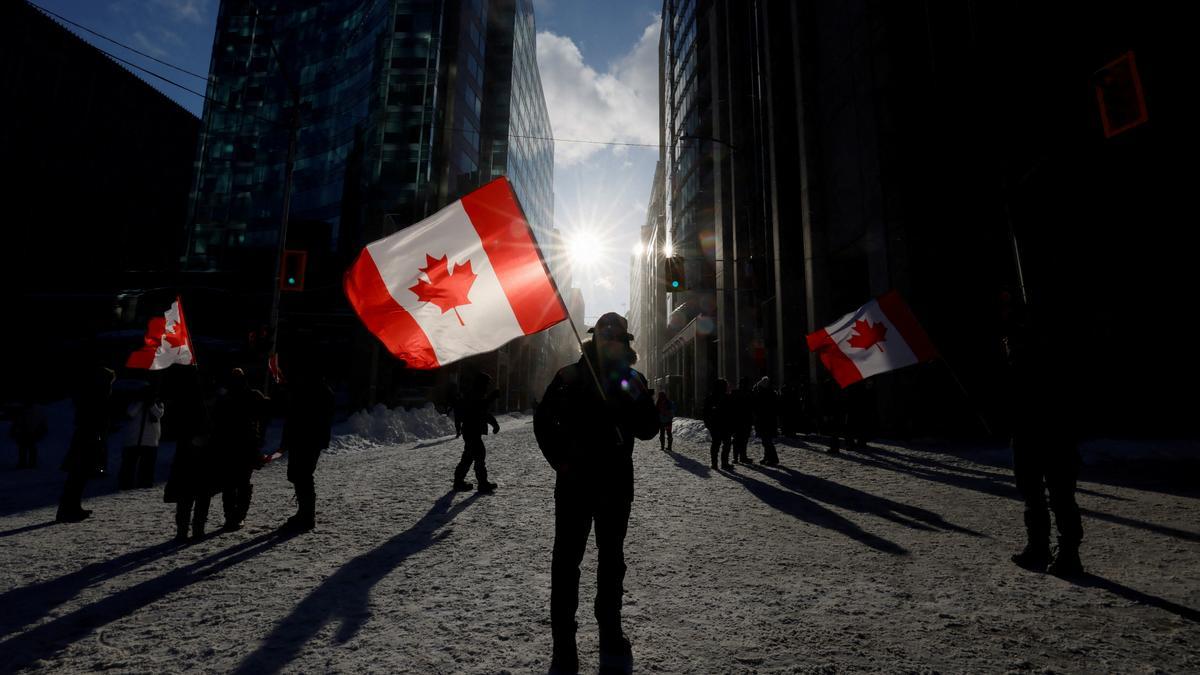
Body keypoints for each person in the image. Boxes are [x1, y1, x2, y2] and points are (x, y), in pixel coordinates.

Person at [534, 312, 659, 672]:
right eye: (604, 336)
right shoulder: (570, 376)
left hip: (616, 485)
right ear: (593, 339)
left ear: (625, 342)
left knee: (611, 561)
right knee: (566, 562)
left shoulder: (632, 380)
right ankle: (564, 645)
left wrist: (637, 397)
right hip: (574, 484)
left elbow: (649, 429)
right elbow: (543, 421)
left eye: (616, 337)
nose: (610, 342)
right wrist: (559, 460)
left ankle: (610, 633)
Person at [1002, 292, 1083, 576]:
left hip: (1055, 431)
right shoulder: (1018, 358)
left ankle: (1069, 552)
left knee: (1060, 496)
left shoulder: (1050, 353)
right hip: (1026, 433)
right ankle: (1038, 546)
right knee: (1032, 494)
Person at [279, 361, 335, 531]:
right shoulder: (315, 389)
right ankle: (304, 513)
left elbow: (299, 415)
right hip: (305, 438)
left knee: (302, 475)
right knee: (299, 475)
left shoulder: (315, 391)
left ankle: (307, 516)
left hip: (306, 438)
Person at [212, 368, 269, 531]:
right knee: (235, 483)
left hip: (243, 445)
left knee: (236, 483)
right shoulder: (229, 398)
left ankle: (236, 515)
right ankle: (234, 515)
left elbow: (264, 414)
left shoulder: (241, 397)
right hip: (235, 445)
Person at [164, 368, 217, 541]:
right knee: (195, 495)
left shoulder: (195, 402)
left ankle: (188, 530)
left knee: (190, 496)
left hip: (193, 456)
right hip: (195, 456)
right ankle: (192, 529)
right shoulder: (199, 404)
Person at [57, 366, 114, 523]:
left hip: (88, 437)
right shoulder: (95, 397)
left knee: (79, 476)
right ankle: (67, 509)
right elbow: (93, 419)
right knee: (78, 476)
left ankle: (72, 507)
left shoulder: (93, 396)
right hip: (88, 438)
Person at [452, 372, 500, 492]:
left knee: (468, 457)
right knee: (479, 455)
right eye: (486, 384)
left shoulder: (477, 394)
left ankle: (459, 482)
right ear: (481, 383)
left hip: (472, 431)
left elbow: (484, 413)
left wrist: (494, 423)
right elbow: (479, 409)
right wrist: (491, 398)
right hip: (471, 431)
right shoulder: (473, 394)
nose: (487, 386)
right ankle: (482, 484)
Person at [118, 385, 164, 489]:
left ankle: (145, 484)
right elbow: (130, 413)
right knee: (129, 465)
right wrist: (141, 402)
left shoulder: (157, 403)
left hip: (150, 440)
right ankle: (126, 484)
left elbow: (158, 414)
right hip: (133, 439)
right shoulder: (134, 402)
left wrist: (151, 404)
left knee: (147, 466)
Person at [10, 395, 48, 469]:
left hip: (30, 430)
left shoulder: (30, 409)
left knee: (27, 447)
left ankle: (27, 463)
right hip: (28, 430)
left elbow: (18, 421)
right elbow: (18, 421)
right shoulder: (26, 409)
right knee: (27, 447)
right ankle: (28, 463)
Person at [702, 378, 732, 469]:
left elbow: (705, 413)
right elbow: (731, 412)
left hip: (716, 425)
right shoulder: (726, 397)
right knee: (725, 444)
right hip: (723, 425)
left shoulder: (711, 397)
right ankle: (724, 463)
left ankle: (715, 463)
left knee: (716, 444)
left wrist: (708, 424)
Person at [753, 377, 780, 466]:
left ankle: (773, 458)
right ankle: (767, 457)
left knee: (767, 441)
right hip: (766, 420)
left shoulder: (766, 394)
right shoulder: (769, 393)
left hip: (766, 420)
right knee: (766, 441)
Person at [729, 377, 755, 464]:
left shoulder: (735, 393)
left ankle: (738, 457)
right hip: (742, 420)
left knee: (740, 440)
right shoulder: (748, 393)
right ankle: (740, 457)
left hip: (739, 420)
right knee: (741, 440)